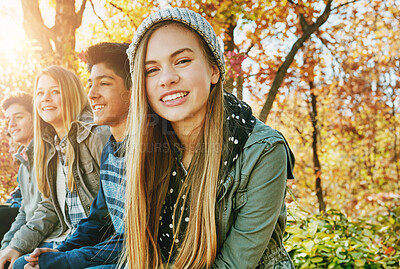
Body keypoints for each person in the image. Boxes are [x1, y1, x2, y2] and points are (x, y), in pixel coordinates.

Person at [122, 8, 295, 268]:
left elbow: (235, 264)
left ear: (214, 70)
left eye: (182, 61)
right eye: (151, 70)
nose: (167, 79)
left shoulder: (264, 151)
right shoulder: (148, 150)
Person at [23, 43, 131, 269]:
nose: (91, 93)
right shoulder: (111, 149)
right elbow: (96, 217)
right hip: (91, 243)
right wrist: (59, 251)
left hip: (119, 250)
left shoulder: (101, 137)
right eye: (91, 84)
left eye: (104, 83)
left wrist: (62, 258)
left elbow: (130, 238)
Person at [10, 65, 110, 269]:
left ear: (72, 94)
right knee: (19, 264)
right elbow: (50, 206)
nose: (45, 98)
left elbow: (110, 209)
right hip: (75, 241)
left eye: (55, 91)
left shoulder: (97, 135)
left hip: (99, 243)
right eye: (40, 93)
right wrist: (15, 246)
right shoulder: (51, 147)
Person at [0, 92, 32, 245]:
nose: (11, 124)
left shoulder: (46, 153)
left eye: (18, 117)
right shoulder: (23, 157)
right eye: (8, 120)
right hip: (22, 212)